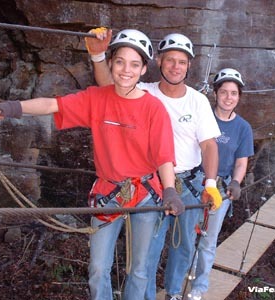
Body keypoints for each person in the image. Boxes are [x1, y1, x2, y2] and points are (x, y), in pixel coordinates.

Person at [0, 29, 185, 300]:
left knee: (139, 269)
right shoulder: (96, 99)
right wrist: (12, 108)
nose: (126, 70)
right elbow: (51, 105)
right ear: (111, 63)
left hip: (145, 193)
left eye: (134, 64)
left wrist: (170, 190)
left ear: (143, 70)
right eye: (120, 62)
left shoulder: (153, 108)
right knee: (97, 268)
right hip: (109, 191)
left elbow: (164, 155)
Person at [86, 28, 223, 300]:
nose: (175, 66)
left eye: (182, 61)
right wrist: (99, 55)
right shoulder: (143, 91)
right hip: (151, 183)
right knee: (146, 254)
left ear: (189, 66)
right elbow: (107, 89)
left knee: (183, 245)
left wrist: (210, 183)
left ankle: (172, 293)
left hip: (188, 182)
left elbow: (209, 145)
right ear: (158, 62)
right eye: (170, 60)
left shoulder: (197, 101)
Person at [188, 68, 254, 300]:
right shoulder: (202, 116)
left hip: (221, 189)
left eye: (233, 93)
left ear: (239, 97)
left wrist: (236, 182)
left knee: (208, 239)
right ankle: (182, 277)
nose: (228, 97)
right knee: (187, 233)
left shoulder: (243, 128)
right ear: (215, 93)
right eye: (224, 92)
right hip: (194, 182)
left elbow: (241, 161)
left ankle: (199, 286)